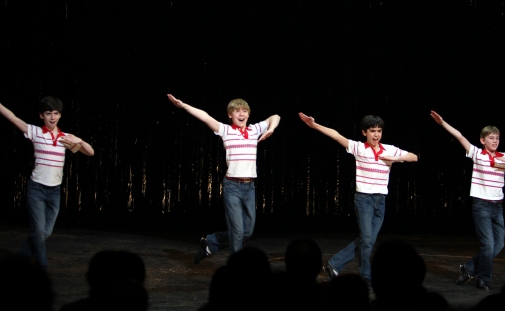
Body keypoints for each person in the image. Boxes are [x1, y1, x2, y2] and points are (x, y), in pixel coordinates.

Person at [0, 87, 95, 270]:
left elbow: (90, 152)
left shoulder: (65, 139)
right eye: (49, 113)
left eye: (56, 113)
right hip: (37, 190)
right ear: (42, 115)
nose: (53, 117)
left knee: (44, 233)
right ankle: (42, 268)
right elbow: (13, 118)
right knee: (39, 232)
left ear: (60, 116)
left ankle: (18, 262)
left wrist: (78, 140)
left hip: (55, 192)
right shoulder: (36, 133)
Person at [298, 112, 418, 289]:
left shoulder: (390, 150)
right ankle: (364, 276)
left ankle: (333, 265)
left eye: (379, 131)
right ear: (364, 133)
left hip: (380, 201)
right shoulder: (358, 148)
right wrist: (315, 125)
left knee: (366, 240)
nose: (376, 134)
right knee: (367, 240)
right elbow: (336, 135)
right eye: (372, 131)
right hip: (364, 200)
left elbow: (414, 156)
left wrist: (396, 158)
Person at [167, 94, 280, 263]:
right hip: (232, 187)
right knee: (237, 231)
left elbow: (275, 117)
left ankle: (211, 242)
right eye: (236, 111)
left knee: (246, 231)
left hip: (250, 187)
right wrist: (183, 106)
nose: (241, 114)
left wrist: (271, 128)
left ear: (248, 114)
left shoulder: (255, 129)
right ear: (230, 115)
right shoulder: (226, 131)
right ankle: (236, 266)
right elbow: (205, 116)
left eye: (244, 111)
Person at [430, 110, 505, 290]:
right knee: (488, 244)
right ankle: (484, 278)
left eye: (497, 138)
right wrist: (442, 123)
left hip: (497, 207)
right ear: (483, 140)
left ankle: (469, 269)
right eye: (491, 138)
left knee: (498, 244)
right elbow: (460, 136)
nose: (495, 141)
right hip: (482, 206)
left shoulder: (504, 157)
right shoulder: (477, 154)